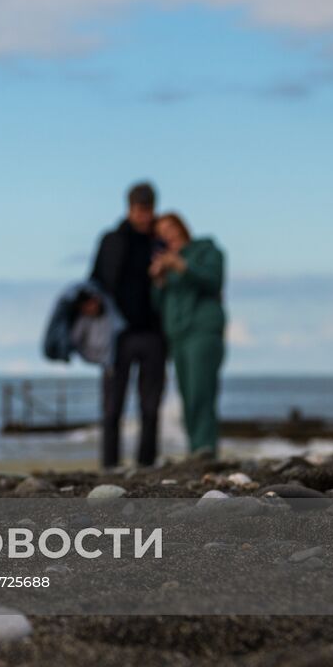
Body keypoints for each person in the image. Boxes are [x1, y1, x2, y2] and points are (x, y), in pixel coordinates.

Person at [90, 181, 165, 468]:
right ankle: (109, 468)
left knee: (150, 407)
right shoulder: (111, 239)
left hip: (154, 334)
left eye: (148, 209)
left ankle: (145, 466)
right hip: (117, 336)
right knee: (111, 408)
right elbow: (95, 278)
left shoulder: (160, 241)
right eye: (139, 209)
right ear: (129, 208)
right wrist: (90, 302)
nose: (144, 216)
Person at [150, 212, 227, 458]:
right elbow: (157, 305)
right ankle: (196, 449)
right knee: (187, 395)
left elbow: (214, 281)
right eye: (161, 233)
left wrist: (182, 266)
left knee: (201, 392)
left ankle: (205, 448)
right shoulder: (166, 263)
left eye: (170, 228)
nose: (167, 235)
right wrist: (159, 281)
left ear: (182, 226)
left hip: (203, 330)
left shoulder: (206, 249)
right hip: (178, 336)